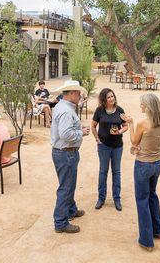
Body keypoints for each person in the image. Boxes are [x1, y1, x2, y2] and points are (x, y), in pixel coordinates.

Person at [125, 93, 160, 252]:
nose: (140, 106)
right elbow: (149, 143)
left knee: (142, 200)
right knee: (152, 195)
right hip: (156, 163)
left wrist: (130, 124)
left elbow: (134, 141)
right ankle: (157, 230)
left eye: (142, 104)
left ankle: (146, 241)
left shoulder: (143, 123)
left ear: (148, 106)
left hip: (143, 165)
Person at [51, 80, 91, 234]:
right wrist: (82, 133)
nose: (80, 96)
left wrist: (78, 127)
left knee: (68, 183)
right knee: (66, 186)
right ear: (73, 93)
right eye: (79, 93)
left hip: (64, 152)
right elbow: (66, 134)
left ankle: (70, 210)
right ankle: (60, 222)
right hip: (66, 153)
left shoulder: (63, 106)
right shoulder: (67, 111)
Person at [91, 88, 127, 211]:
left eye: (112, 96)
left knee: (116, 172)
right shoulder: (99, 110)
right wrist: (97, 139)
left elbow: (126, 125)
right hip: (104, 146)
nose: (112, 99)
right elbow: (93, 126)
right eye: (109, 97)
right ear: (104, 100)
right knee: (103, 172)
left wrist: (119, 132)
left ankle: (117, 199)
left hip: (117, 146)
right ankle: (101, 198)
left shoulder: (120, 110)